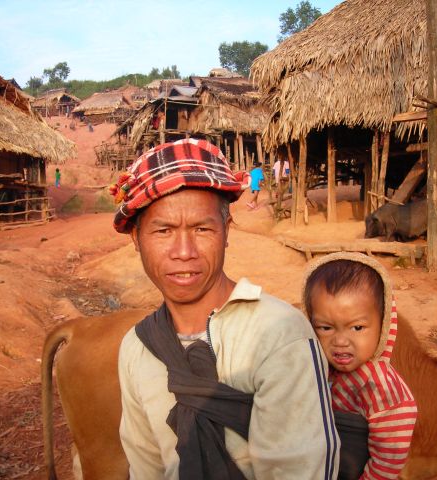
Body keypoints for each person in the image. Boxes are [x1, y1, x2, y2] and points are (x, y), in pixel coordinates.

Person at [110, 138, 339, 479]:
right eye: (163, 230)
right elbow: (146, 468)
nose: (184, 251)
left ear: (226, 232)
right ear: (136, 239)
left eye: (202, 229)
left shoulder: (280, 336)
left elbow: (299, 470)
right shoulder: (136, 349)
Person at [302, 252, 417, 480]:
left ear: (383, 323)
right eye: (325, 328)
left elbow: (387, 462)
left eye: (357, 328)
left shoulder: (382, 389)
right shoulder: (319, 368)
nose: (341, 341)